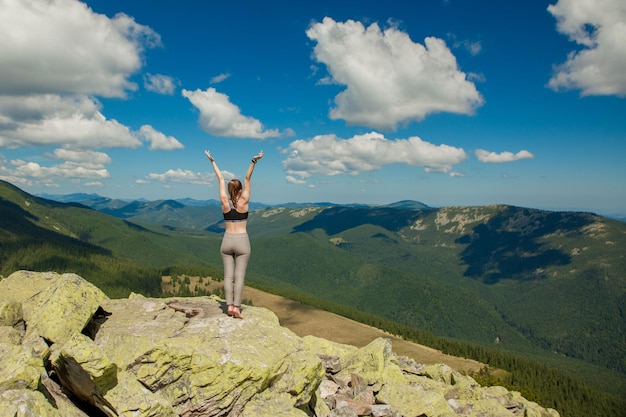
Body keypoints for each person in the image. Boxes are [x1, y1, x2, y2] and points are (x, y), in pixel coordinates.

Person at [205, 149, 264, 319]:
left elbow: (220, 179)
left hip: (226, 241)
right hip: (242, 241)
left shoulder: (224, 201)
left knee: (227, 276)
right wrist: (254, 161)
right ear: (239, 189)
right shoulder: (244, 200)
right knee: (239, 277)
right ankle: (237, 308)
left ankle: (228, 306)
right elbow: (247, 178)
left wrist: (212, 162)